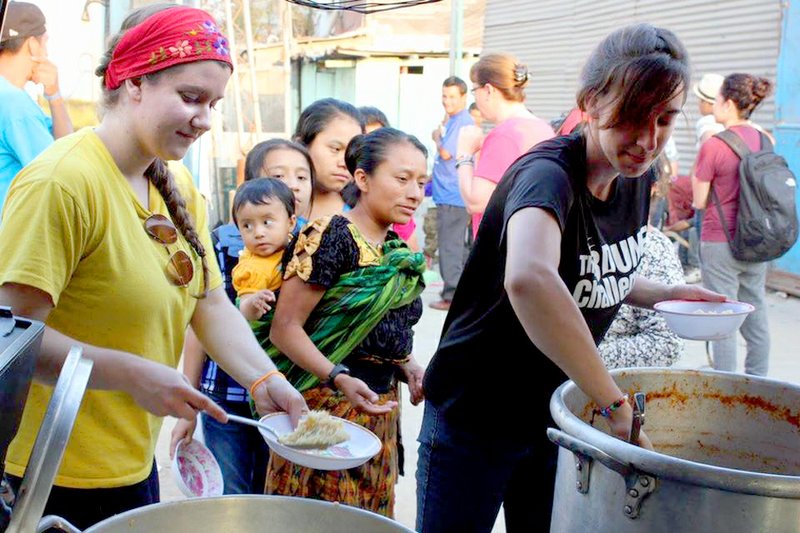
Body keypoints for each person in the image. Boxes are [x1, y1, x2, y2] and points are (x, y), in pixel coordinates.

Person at [0, 6, 305, 528]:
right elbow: (13, 340)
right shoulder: (62, 184)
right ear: (134, 82)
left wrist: (263, 380)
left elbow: (208, 302)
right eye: (190, 98)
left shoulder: (176, 184)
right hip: (49, 474)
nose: (205, 119)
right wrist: (130, 374)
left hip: (133, 466)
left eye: (213, 103)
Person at [416, 24, 725, 532]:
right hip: (475, 414)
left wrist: (663, 294)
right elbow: (531, 280)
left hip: (554, 414)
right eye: (632, 117)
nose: (648, 140)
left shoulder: (635, 176)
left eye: (665, 119)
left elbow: (590, 272)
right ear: (591, 103)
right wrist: (613, 404)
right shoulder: (547, 176)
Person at [265, 128, 428, 517]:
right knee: (319, 518)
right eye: (402, 178)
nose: (414, 193)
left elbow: (381, 334)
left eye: (421, 182)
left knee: (367, 517)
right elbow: (285, 328)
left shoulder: (396, 252)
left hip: (378, 410)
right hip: (325, 410)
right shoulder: (330, 235)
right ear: (363, 179)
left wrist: (410, 367)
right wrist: (338, 376)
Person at [170, 178, 297, 494]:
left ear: (291, 220)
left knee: (274, 491)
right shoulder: (235, 261)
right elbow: (212, 318)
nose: (259, 232)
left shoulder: (304, 260)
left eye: (268, 222)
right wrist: (249, 307)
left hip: (281, 395)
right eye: (247, 225)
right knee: (232, 491)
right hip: (227, 394)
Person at [692, 73, 774, 376]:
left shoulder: (715, 145)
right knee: (756, 315)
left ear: (727, 103)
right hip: (757, 240)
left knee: (723, 316)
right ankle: (757, 381)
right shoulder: (767, 139)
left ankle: (725, 385)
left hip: (720, 240)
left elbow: (700, 200)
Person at [456, 53, 554, 238]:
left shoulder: (504, 135)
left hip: (502, 248)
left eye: (474, 90)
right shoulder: (543, 128)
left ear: (488, 90)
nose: (475, 98)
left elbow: (475, 202)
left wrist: (464, 154)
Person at [0, 1, 73, 209]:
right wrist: (56, 96)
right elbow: (64, 170)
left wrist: (53, 93)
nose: (47, 52)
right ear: (33, 44)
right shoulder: (15, 105)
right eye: (45, 42)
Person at [598, 226, 685, 368]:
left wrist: (577, 359)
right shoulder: (574, 238)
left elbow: (667, 344)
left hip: (607, 382)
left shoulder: (651, 246)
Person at [429, 76, 474, 311]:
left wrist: (436, 138)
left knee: (450, 247)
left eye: (452, 97)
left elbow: (447, 153)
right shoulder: (456, 119)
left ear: (464, 97)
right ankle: (460, 293)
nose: (447, 101)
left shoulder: (463, 122)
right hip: (451, 194)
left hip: (452, 195)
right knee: (459, 247)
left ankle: (451, 295)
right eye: (444, 96)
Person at [294, 98, 364, 221]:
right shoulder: (270, 206)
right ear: (302, 146)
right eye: (336, 149)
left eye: (352, 153)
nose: (344, 163)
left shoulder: (364, 215)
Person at [243, 138, 315, 228]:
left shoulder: (315, 235)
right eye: (278, 176)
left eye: (301, 177)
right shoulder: (231, 240)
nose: (294, 185)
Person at [694, 73, 725, 147]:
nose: (698, 104)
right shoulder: (727, 121)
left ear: (706, 102)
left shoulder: (707, 122)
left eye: (700, 99)